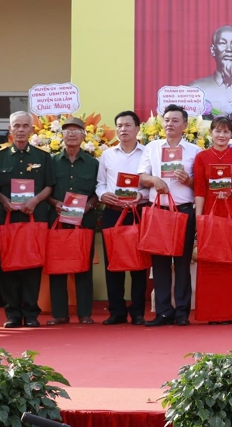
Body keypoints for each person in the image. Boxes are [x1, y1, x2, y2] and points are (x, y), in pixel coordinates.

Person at [138, 104, 202, 327]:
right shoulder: (152, 147)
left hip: (184, 211)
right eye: (166, 120)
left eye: (175, 120)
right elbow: (141, 176)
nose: (170, 124)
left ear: (185, 125)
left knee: (183, 262)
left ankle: (182, 312)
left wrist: (189, 180)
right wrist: (154, 180)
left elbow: (201, 184)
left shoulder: (195, 151)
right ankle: (164, 312)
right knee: (160, 263)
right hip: (159, 212)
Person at [0, 110, 55, 329]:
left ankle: (30, 313)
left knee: (32, 266)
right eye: (16, 125)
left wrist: (35, 201)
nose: (20, 130)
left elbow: (49, 186)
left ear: (31, 129)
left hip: (33, 218)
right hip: (7, 218)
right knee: (7, 266)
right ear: (10, 129)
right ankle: (12, 314)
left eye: (24, 126)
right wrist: (2, 200)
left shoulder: (42, 157)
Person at [192, 116, 232, 325]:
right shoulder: (202, 157)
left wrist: (231, 192)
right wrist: (199, 219)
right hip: (210, 211)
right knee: (211, 260)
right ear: (210, 133)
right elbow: (199, 189)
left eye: (226, 132)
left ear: (231, 135)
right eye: (218, 131)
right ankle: (213, 313)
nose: (222, 135)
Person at [46, 117, 100, 325]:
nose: (71, 134)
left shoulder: (93, 163)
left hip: (83, 220)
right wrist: (54, 202)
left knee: (84, 267)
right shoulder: (50, 161)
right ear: (61, 135)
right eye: (67, 130)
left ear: (84, 135)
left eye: (76, 130)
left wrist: (89, 206)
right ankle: (59, 314)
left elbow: (99, 191)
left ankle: (85, 314)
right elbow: (45, 188)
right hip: (57, 219)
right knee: (57, 266)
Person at [96, 111, 147, 326]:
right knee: (113, 264)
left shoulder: (147, 153)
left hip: (138, 213)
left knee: (140, 265)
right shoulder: (107, 155)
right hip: (113, 212)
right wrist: (102, 195)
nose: (123, 129)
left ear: (137, 129)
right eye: (119, 125)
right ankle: (116, 311)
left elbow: (150, 183)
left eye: (127, 125)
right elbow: (99, 183)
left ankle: (137, 311)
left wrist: (140, 195)